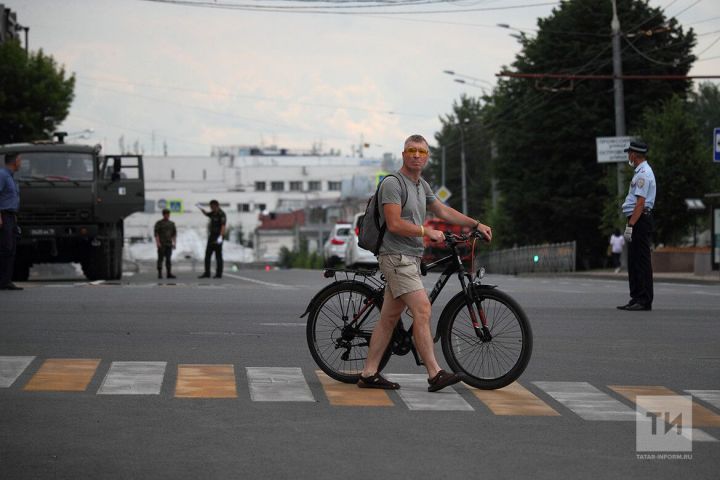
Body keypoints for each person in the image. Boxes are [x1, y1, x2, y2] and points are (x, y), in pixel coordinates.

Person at [357, 134, 492, 392]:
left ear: (427, 157)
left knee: (388, 318)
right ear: (403, 154)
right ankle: (434, 374)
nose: (416, 155)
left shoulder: (421, 185)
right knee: (422, 310)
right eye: (411, 150)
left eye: (421, 151)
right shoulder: (393, 184)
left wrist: (476, 223)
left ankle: (368, 373)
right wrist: (426, 232)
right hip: (395, 257)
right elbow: (395, 224)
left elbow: (442, 210)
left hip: (410, 257)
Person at [617, 141, 656, 311]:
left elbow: (640, 202)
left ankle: (644, 299)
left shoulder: (643, 174)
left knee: (641, 261)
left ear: (634, 154)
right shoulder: (640, 172)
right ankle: (636, 296)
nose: (628, 157)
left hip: (639, 220)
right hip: (636, 219)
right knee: (633, 261)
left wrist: (631, 224)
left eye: (629, 153)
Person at [0, 153, 22, 291]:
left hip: (11, 216)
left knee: (10, 249)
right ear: (15, 162)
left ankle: (6, 281)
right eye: (21, 160)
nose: (21, 163)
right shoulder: (2, 175)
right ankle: (2, 281)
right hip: (4, 215)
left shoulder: (11, 177)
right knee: (5, 248)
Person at [197, 200, 226, 279]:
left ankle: (219, 273)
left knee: (218, 256)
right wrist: (200, 208)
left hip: (218, 237)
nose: (211, 208)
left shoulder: (221, 214)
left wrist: (220, 237)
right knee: (207, 255)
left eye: (212, 207)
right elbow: (206, 214)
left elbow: (223, 226)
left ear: (216, 206)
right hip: (212, 236)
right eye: (210, 207)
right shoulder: (213, 213)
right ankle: (207, 273)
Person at [154, 208, 177, 279]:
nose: (167, 215)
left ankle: (169, 273)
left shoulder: (172, 224)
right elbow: (156, 234)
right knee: (160, 259)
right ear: (163, 215)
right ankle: (160, 273)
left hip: (169, 244)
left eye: (168, 214)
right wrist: (158, 243)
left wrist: (174, 243)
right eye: (166, 214)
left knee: (168, 259)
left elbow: (174, 234)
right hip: (162, 244)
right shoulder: (159, 223)